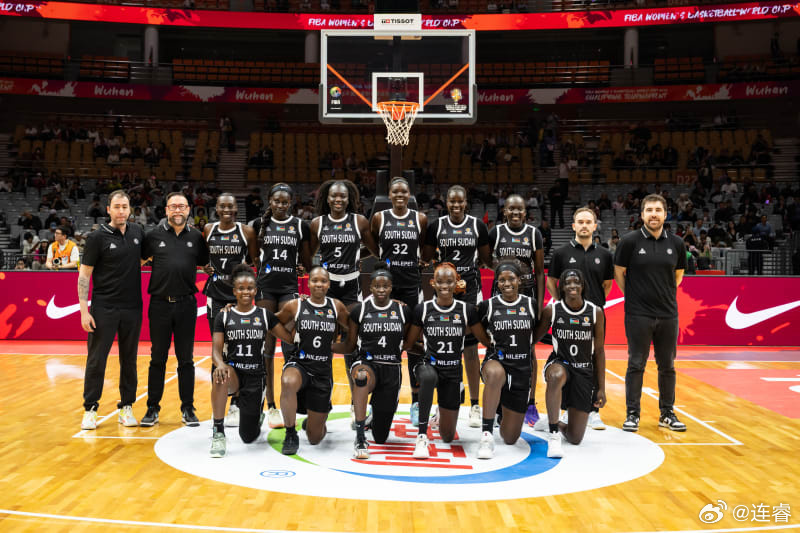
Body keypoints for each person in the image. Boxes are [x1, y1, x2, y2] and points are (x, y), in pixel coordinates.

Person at [402, 263, 494, 460]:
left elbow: (485, 340)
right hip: (429, 365)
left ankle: (440, 414)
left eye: (449, 281)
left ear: (457, 283)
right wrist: (424, 352)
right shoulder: (423, 309)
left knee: (447, 436)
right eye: (440, 281)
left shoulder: (466, 310)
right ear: (433, 283)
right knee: (428, 377)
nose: (444, 285)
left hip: (453, 372)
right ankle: (421, 436)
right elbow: (409, 344)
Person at [614, 194, 687, 433]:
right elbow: (619, 272)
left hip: (668, 314)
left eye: (658, 210)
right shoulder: (629, 241)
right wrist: (634, 296)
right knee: (636, 363)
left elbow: (677, 276)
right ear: (642, 214)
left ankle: (667, 413)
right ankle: (632, 414)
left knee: (667, 365)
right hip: (638, 314)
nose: (653, 214)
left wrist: (663, 295)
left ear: (665, 214)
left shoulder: (677, 243)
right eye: (649, 210)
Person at [422, 185, 492, 428]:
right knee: (443, 351)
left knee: (470, 349)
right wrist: (446, 273)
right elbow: (427, 257)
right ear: (446, 202)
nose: (456, 205)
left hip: (470, 292)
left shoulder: (477, 226)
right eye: (452, 201)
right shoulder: (437, 226)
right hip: (444, 291)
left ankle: (474, 405)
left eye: (460, 201)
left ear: (466, 202)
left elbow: (486, 259)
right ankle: (441, 405)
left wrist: (465, 273)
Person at [309, 179, 378, 426]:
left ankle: (354, 402)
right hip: (326, 289)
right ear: (327, 198)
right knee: (323, 346)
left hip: (350, 288)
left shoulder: (359, 222)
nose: (338, 200)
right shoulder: (318, 223)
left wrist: (358, 255)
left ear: (350, 199)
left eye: (343, 196)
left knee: (351, 344)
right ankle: (322, 402)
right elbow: (309, 255)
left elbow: (376, 249)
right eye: (334, 196)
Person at [209, 265, 294, 458]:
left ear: (256, 290)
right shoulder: (224, 315)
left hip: (256, 377)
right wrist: (220, 364)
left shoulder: (264, 315)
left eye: (249, 288)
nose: (245, 292)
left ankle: (257, 416)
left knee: (248, 436)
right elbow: (215, 350)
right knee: (220, 375)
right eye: (241, 288)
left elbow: (289, 338)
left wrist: (300, 309)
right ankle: (218, 432)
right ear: (234, 291)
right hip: (234, 374)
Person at [140, 192, 209, 427]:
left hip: (186, 304)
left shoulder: (197, 237)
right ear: (166, 210)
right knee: (157, 358)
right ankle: (152, 408)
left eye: (181, 206)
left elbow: (206, 264)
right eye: (173, 206)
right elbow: (137, 261)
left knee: (186, 359)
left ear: (189, 209)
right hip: (159, 304)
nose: (177, 210)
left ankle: (188, 408)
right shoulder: (153, 236)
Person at [78, 190, 144, 430]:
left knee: (130, 360)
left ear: (130, 209)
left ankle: (127, 407)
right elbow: (84, 276)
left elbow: (143, 259)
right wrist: (84, 311)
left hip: (132, 308)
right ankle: (90, 409)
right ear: (108, 210)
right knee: (96, 360)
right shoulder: (96, 237)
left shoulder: (137, 232)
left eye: (125, 207)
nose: (121, 211)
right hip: (104, 308)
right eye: (116, 207)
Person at [547, 207, 614, 431]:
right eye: (580, 222)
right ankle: (566, 407)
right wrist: (562, 305)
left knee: (593, 358)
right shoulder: (561, 253)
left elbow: (607, 285)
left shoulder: (605, 255)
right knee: (566, 360)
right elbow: (552, 281)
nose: (584, 225)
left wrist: (593, 306)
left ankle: (593, 410)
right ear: (574, 226)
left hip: (593, 316)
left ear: (595, 226)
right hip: (567, 317)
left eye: (588, 222)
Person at [370, 176, 428, 427]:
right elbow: (375, 245)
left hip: (411, 288)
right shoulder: (379, 218)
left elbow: (423, 248)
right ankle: (380, 401)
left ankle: (416, 401)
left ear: (409, 194)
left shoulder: (420, 219)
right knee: (384, 343)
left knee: (413, 344)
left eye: (404, 191)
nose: (400, 195)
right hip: (387, 289)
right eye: (395, 192)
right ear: (389, 194)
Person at [254, 183, 312, 428]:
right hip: (265, 289)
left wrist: (302, 267)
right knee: (267, 348)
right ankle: (270, 407)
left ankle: (291, 399)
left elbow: (307, 261)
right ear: (270, 201)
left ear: (291, 203)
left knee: (290, 345)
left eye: (285, 202)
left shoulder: (300, 226)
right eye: (276, 201)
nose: (280, 205)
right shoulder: (258, 225)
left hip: (289, 289)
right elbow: (252, 257)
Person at [275, 267, 351, 455]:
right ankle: (290, 433)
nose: (319, 284)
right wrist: (288, 338)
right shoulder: (295, 305)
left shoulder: (336, 306)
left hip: (322, 372)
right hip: (300, 364)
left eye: (323, 281)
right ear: (308, 283)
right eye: (315, 280)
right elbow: (271, 321)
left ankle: (315, 420)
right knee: (287, 381)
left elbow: (354, 328)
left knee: (315, 438)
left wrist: (339, 347)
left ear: (329, 284)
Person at [532, 269, 606, 458]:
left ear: (583, 286)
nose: (572, 286)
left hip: (583, 370)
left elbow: (599, 352)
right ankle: (554, 434)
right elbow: (533, 338)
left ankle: (554, 422)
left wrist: (601, 388)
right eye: (567, 282)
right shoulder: (552, 310)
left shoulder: (595, 312)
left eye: (576, 282)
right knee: (556, 375)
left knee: (575, 437)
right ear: (562, 287)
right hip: (560, 363)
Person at [340, 269, 412, 459]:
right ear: (370, 288)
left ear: (391, 287)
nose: (381, 289)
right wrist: (324, 348)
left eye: (385, 286)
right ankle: (360, 437)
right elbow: (349, 345)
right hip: (367, 362)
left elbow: (407, 342)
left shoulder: (402, 310)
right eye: (377, 286)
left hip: (392, 368)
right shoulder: (360, 310)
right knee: (361, 376)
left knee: (381, 437)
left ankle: (373, 418)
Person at [203, 193, 259, 427]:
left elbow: (254, 261)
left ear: (236, 209)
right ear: (216, 208)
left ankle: (236, 402)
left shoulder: (246, 232)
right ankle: (220, 402)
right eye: (222, 206)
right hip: (216, 295)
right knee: (219, 349)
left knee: (237, 349)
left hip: (238, 296)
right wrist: (206, 267)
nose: (226, 210)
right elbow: (203, 258)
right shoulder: (208, 229)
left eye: (231, 206)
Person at [489, 193, 545, 426]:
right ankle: (499, 403)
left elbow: (539, 271)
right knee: (499, 348)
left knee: (528, 349)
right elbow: (486, 261)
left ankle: (530, 402)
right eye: (511, 209)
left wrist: (539, 306)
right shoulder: (496, 233)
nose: (515, 212)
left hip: (526, 295)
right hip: (500, 295)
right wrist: (502, 266)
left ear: (525, 212)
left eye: (519, 209)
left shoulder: (534, 234)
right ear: (504, 211)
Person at [476, 260, 537, 459]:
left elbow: (533, 345)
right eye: (501, 280)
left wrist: (532, 398)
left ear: (519, 280)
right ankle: (486, 435)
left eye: (511, 278)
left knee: (510, 438)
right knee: (495, 374)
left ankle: (501, 410)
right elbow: (472, 323)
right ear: (497, 283)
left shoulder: (531, 305)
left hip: (520, 371)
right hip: (497, 362)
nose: (506, 283)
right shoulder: (488, 305)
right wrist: (488, 343)